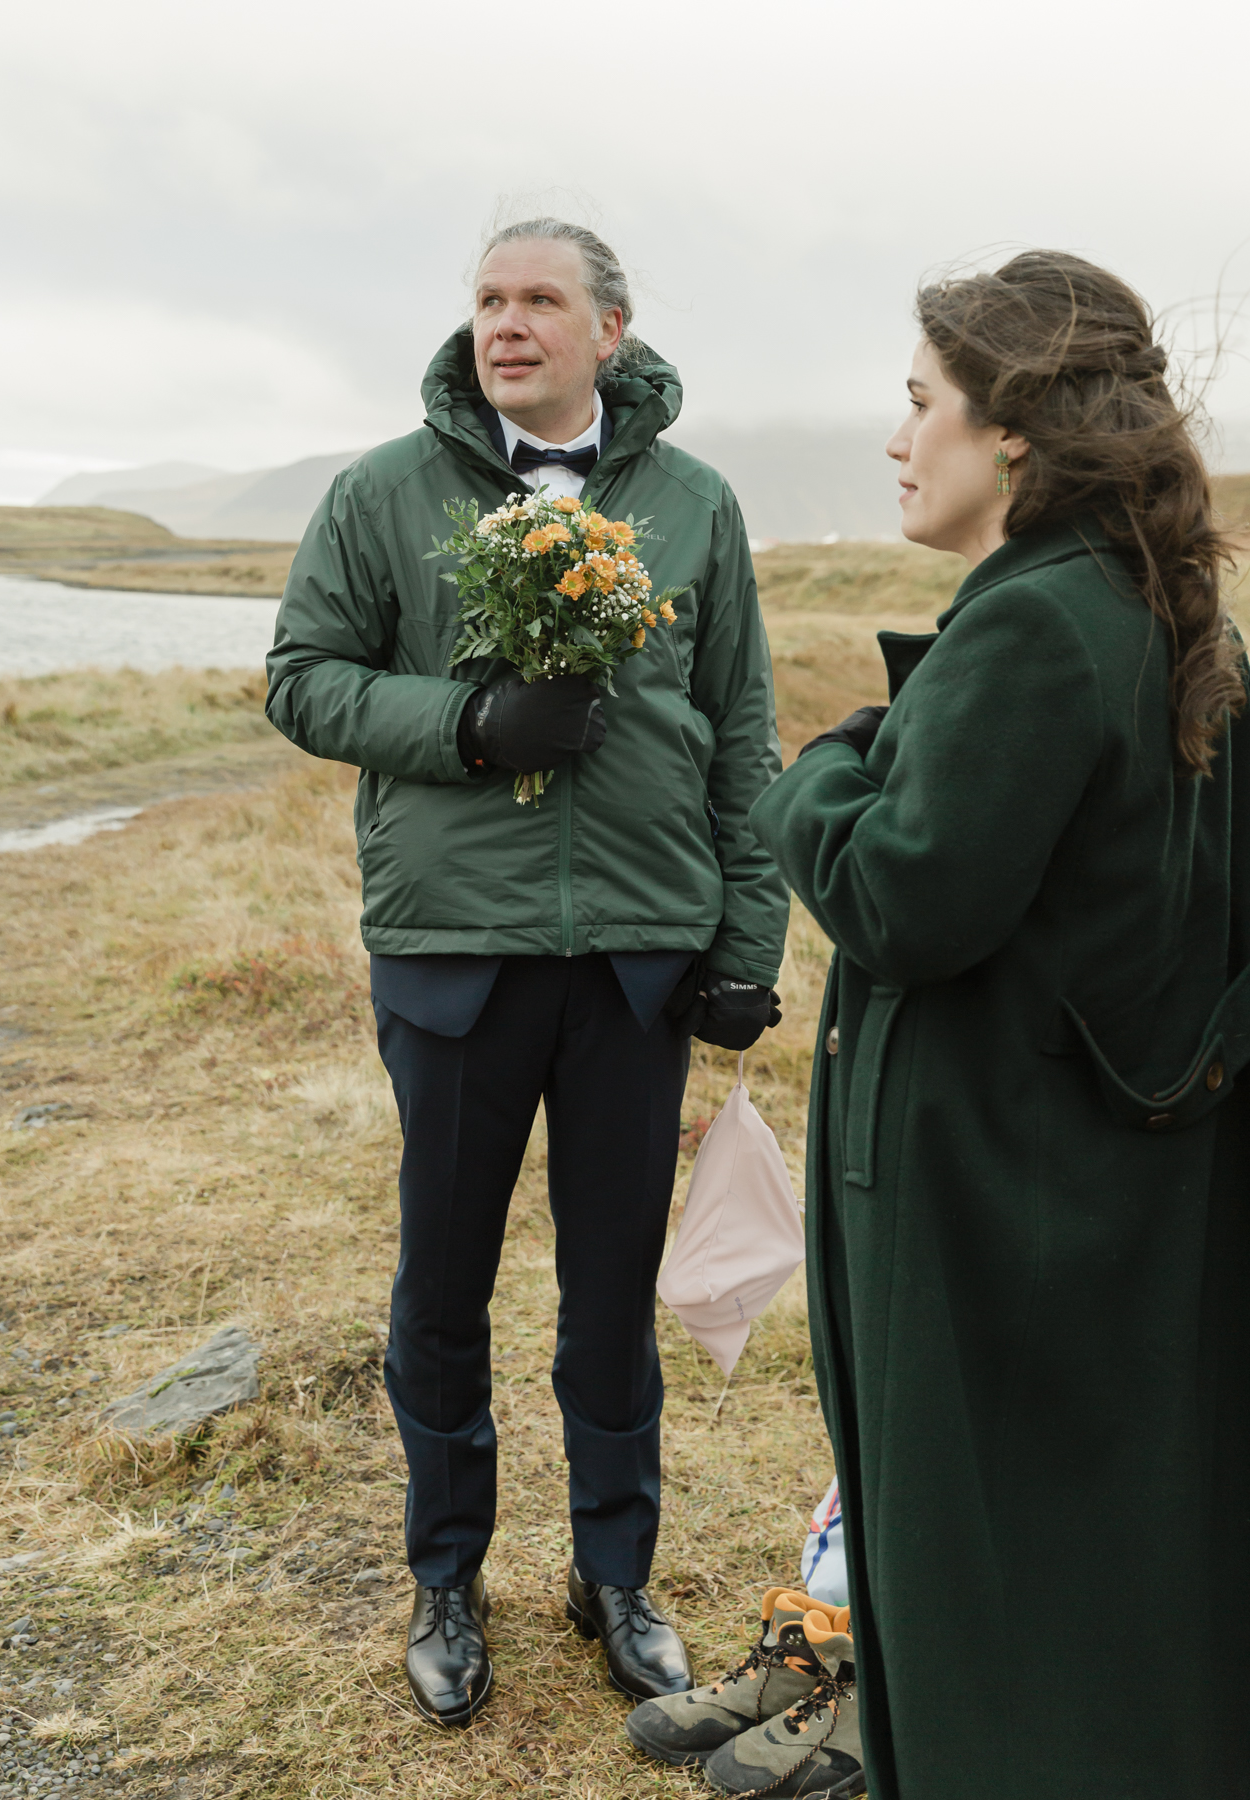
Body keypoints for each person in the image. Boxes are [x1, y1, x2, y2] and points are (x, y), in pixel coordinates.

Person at [727, 252, 1250, 1799]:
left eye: (917, 404)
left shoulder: (1035, 625)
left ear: (1012, 428)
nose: (896, 442)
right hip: (1087, 1184)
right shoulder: (1155, 607)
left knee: (977, 1576)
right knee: (1107, 1550)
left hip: (989, 1204)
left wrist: (822, 766)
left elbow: (904, 899)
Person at [264, 218, 788, 1725]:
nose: (507, 323)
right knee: (443, 1283)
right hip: (454, 957)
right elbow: (303, 681)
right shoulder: (385, 492)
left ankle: (613, 1576)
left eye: (539, 300)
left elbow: (740, 732)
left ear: (608, 331)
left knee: (613, 1290)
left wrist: (744, 946)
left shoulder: (694, 505)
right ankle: (447, 1574)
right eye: (488, 300)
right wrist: (473, 724)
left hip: (638, 960)